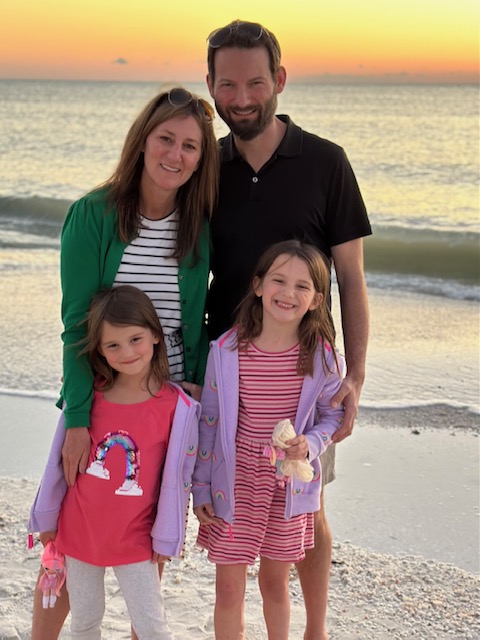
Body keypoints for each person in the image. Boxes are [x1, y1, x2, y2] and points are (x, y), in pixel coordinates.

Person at [30, 87, 219, 639]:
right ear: (143, 141)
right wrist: (81, 419)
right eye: (166, 138)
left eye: (190, 145)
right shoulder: (92, 215)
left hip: (167, 405)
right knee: (71, 535)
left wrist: (199, 389)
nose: (176, 154)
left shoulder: (197, 224)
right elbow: (76, 327)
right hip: (102, 397)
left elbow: (198, 320)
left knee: (149, 532)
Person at [204, 20, 372, 639]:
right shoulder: (205, 166)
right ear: (211, 85)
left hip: (302, 377)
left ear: (278, 79)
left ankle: (315, 630)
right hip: (223, 374)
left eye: (254, 82)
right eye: (227, 85)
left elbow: (351, 278)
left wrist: (352, 376)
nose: (241, 98)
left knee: (309, 508)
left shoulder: (326, 162)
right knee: (221, 512)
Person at [29, 285, 201, 639]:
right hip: (78, 533)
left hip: (136, 538)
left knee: (152, 626)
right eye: (113, 345)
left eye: (135, 339)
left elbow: (181, 477)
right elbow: (57, 468)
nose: (126, 352)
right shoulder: (88, 398)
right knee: (86, 620)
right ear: (99, 350)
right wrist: (47, 520)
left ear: (155, 335)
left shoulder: (176, 406)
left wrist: (170, 533)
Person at [193, 240, 345, 639]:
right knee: (228, 588)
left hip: (287, 483)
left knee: (274, 583)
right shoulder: (226, 350)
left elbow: (332, 416)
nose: (288, 293)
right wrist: (201, 487)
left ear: (316, 300)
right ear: (258, 285)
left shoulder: (322, 358)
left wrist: (310, 444)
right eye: (278, 280)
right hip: (234, 481)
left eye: (302, 286)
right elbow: (208, 422)